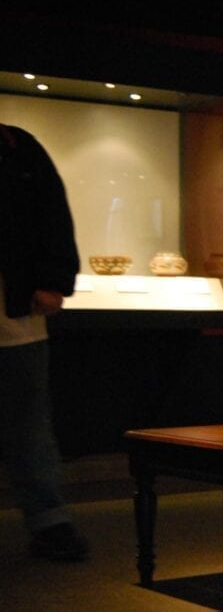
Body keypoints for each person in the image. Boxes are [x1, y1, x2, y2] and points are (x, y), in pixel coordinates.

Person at [0, 122, 89, 562]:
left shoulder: (16, 147)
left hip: (12, 311)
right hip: (15, 311)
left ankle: (49, 519)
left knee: (28, 423)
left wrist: (54, 279)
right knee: (28, 421)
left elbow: (51, 212)